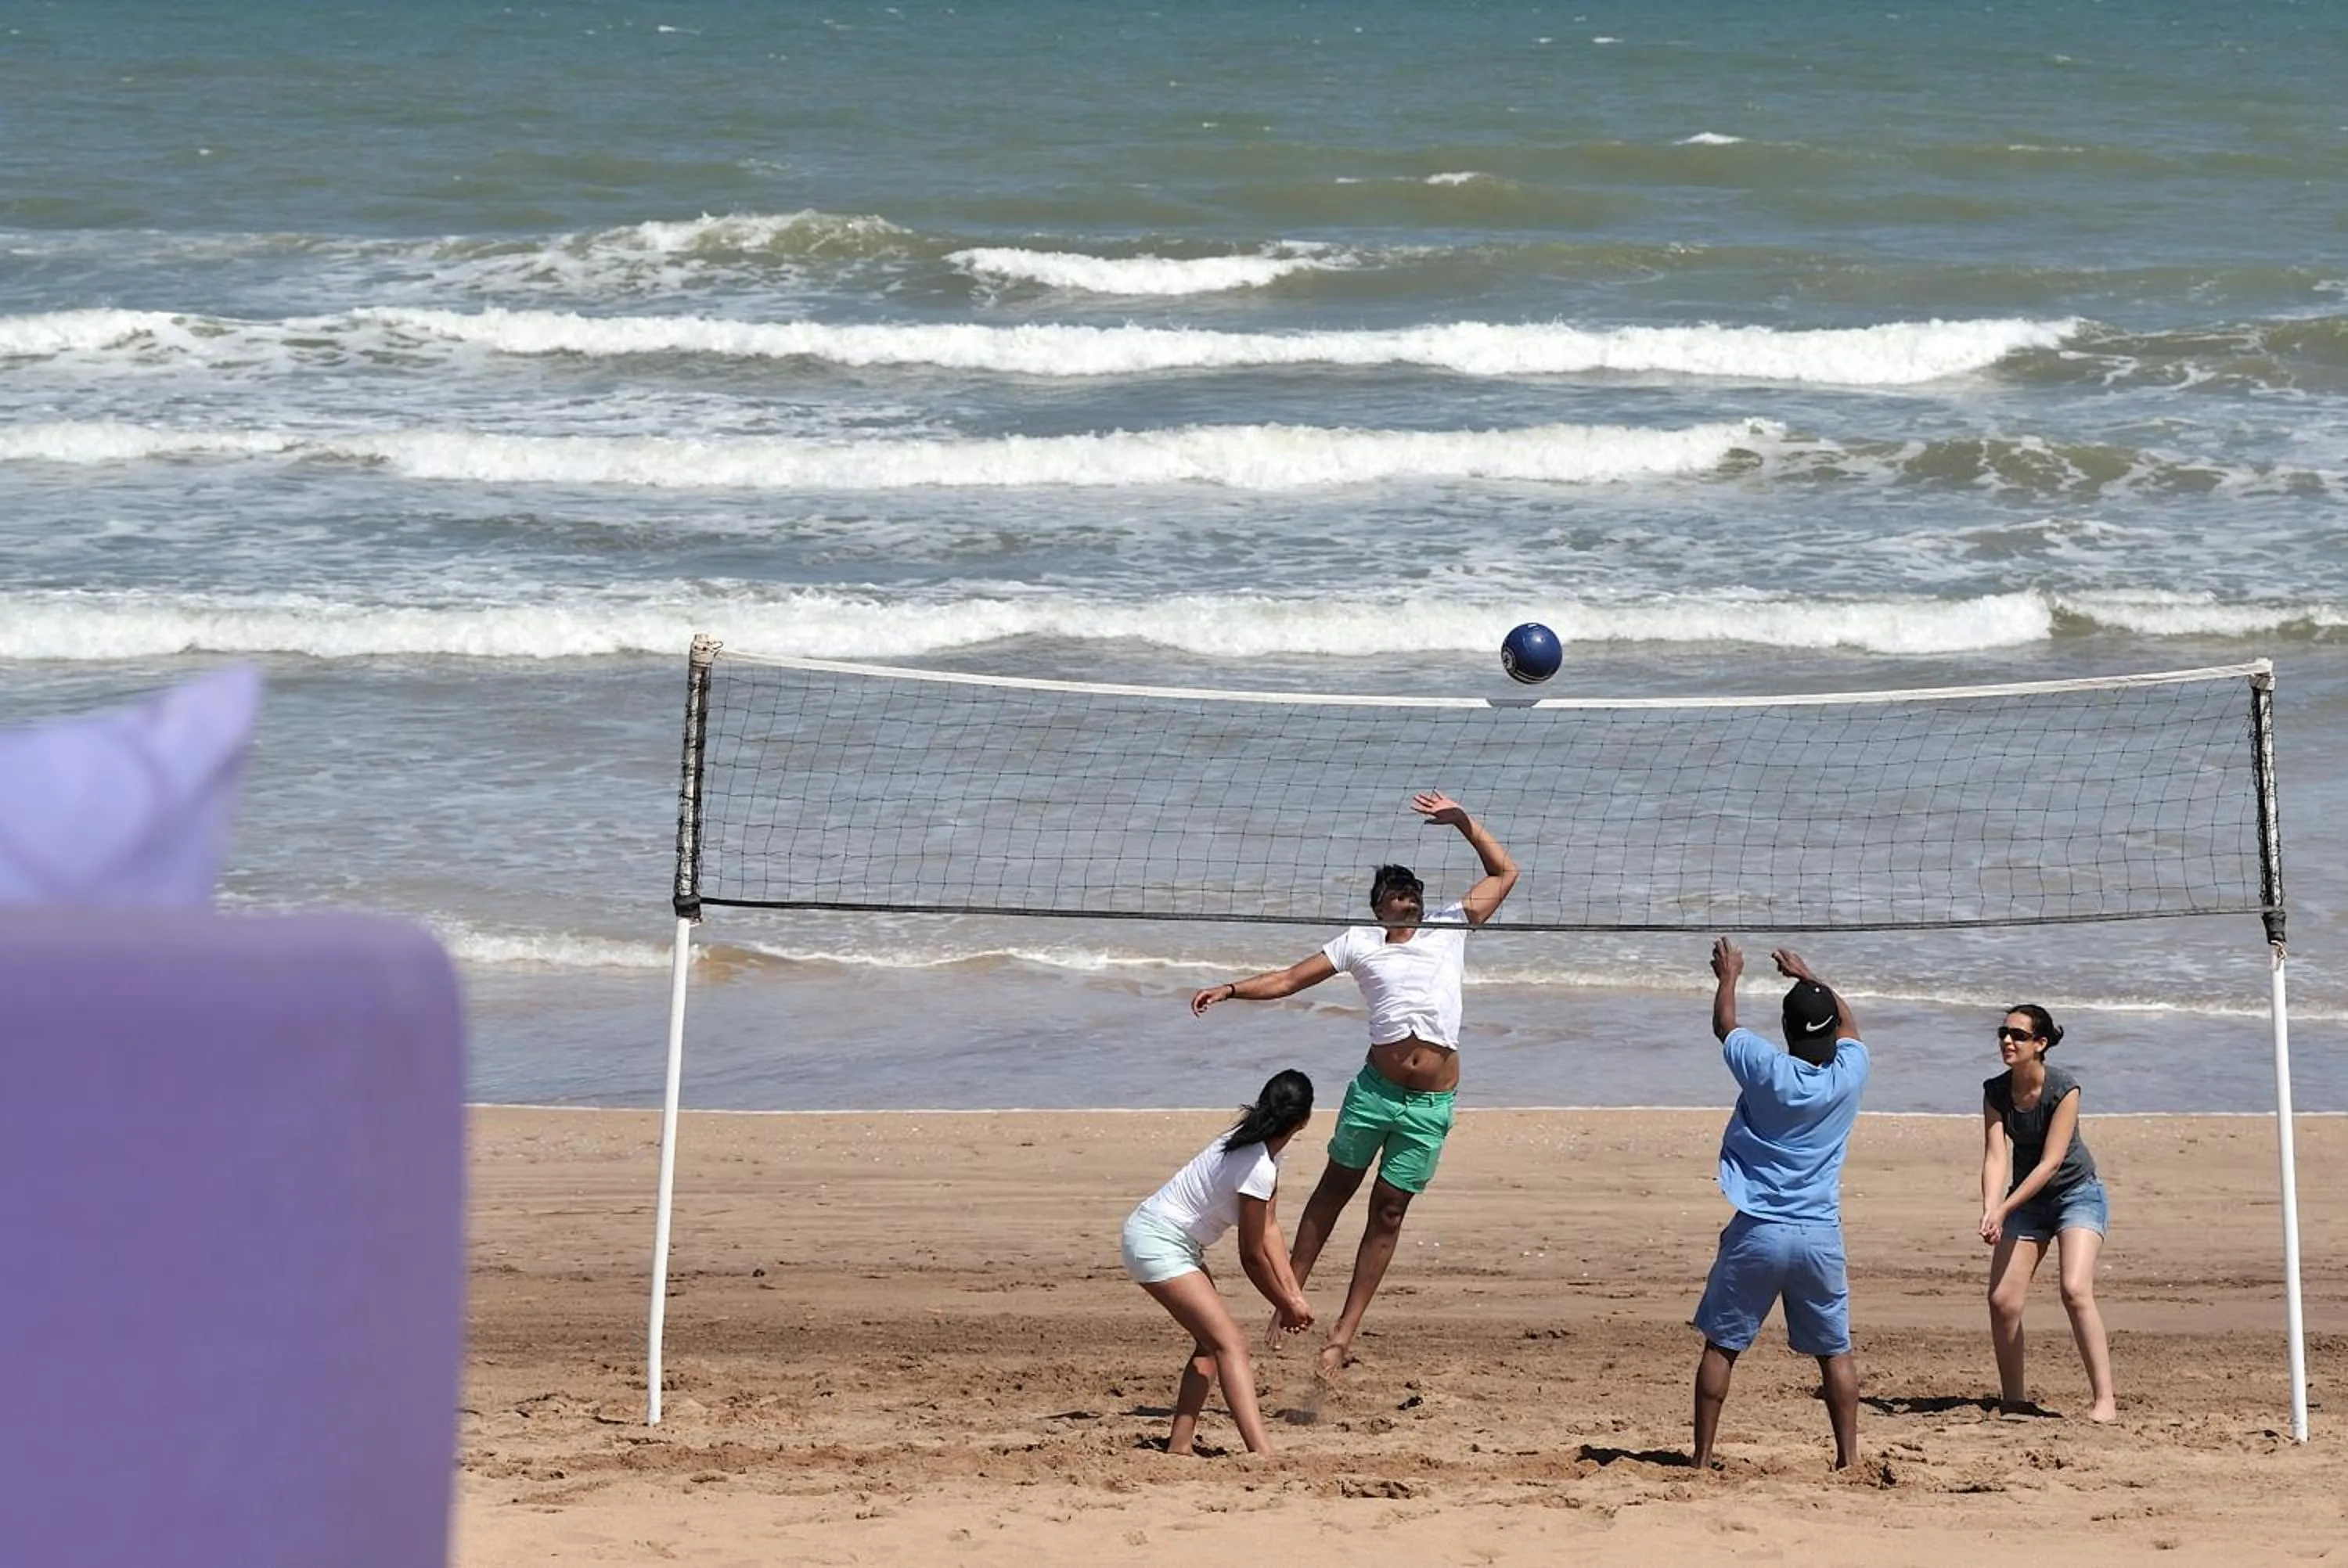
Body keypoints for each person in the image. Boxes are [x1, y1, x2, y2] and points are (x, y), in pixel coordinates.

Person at [1190, 790, 1517, 1376]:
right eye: (1397, 892)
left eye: (1413, 890)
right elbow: (1289, 979)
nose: (1408, 897)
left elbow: (1505, 872)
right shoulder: (1358, 942)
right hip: (1375, 1092)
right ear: (1379, 907)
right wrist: (1231, 989)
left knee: (1388, 1212)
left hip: (1431, 1102)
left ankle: (1343, 1333)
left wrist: (1463, 821)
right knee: (1333, 1192)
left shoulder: (1449, 925)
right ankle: (1288, 1297)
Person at [1691, 940, 1870, 1472]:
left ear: (1788, 1031)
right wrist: (1808, 976)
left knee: (1722, 1346)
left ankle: (1702, 1460)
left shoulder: (1767, 1069)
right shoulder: (1849, 1075)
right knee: (1834, 1351)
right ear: (1830, 1033)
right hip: (1819, 1234)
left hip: (1760, 1230)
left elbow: (1725, 1025)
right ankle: (1849, 1460)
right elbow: (1850, 1027)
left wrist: (1729, 976)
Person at [1120, 1069, 1316, 1455]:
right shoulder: (1257, 1165)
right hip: (1157, 1242)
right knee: (1231, 1344)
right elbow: (1252, 1257)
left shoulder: (1259, 1148)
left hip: (1166, 1240)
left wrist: (1294, 1296)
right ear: (1304, 1120)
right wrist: (1283, 1303)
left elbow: (1270, 1228)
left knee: (1210, 1346)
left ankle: (1179, 1445)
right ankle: (1262, 1453)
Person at [1980, 1004, 2116, 1422]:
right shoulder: (1996, 1091)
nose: (2007, 1041)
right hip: (2027, 1202)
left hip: (2077, 1194)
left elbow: (2051, 1163)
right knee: (2003, 1300)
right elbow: (1996, 1156)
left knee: (2074, 1289)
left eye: (2018, 1035)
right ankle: (2014, 1399)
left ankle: (2105, 1401)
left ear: (2040, 1043)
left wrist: (2004, 1208)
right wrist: (1990, 1209)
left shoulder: (2064, 1089)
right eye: (2004, 1033)